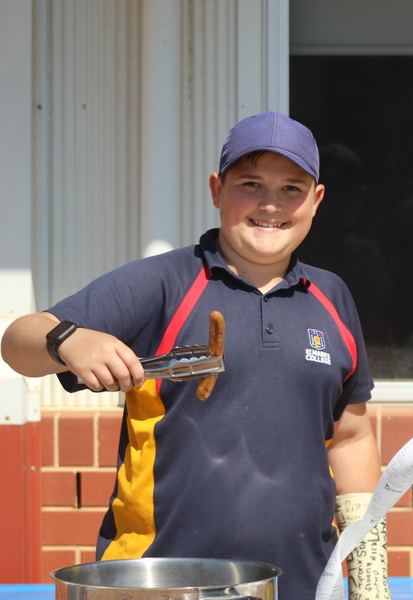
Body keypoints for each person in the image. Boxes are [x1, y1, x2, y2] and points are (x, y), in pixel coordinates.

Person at [1, 112, 391, 600]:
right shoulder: (163, 283)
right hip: (159, 582)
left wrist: (371, 579)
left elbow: (351, 438)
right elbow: (18, 342)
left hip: (304, 584)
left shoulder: (331, 296)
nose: (271, 204)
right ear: (217, 190)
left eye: (292, 188)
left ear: (316, 200)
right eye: (251, 184)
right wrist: (68, 340)